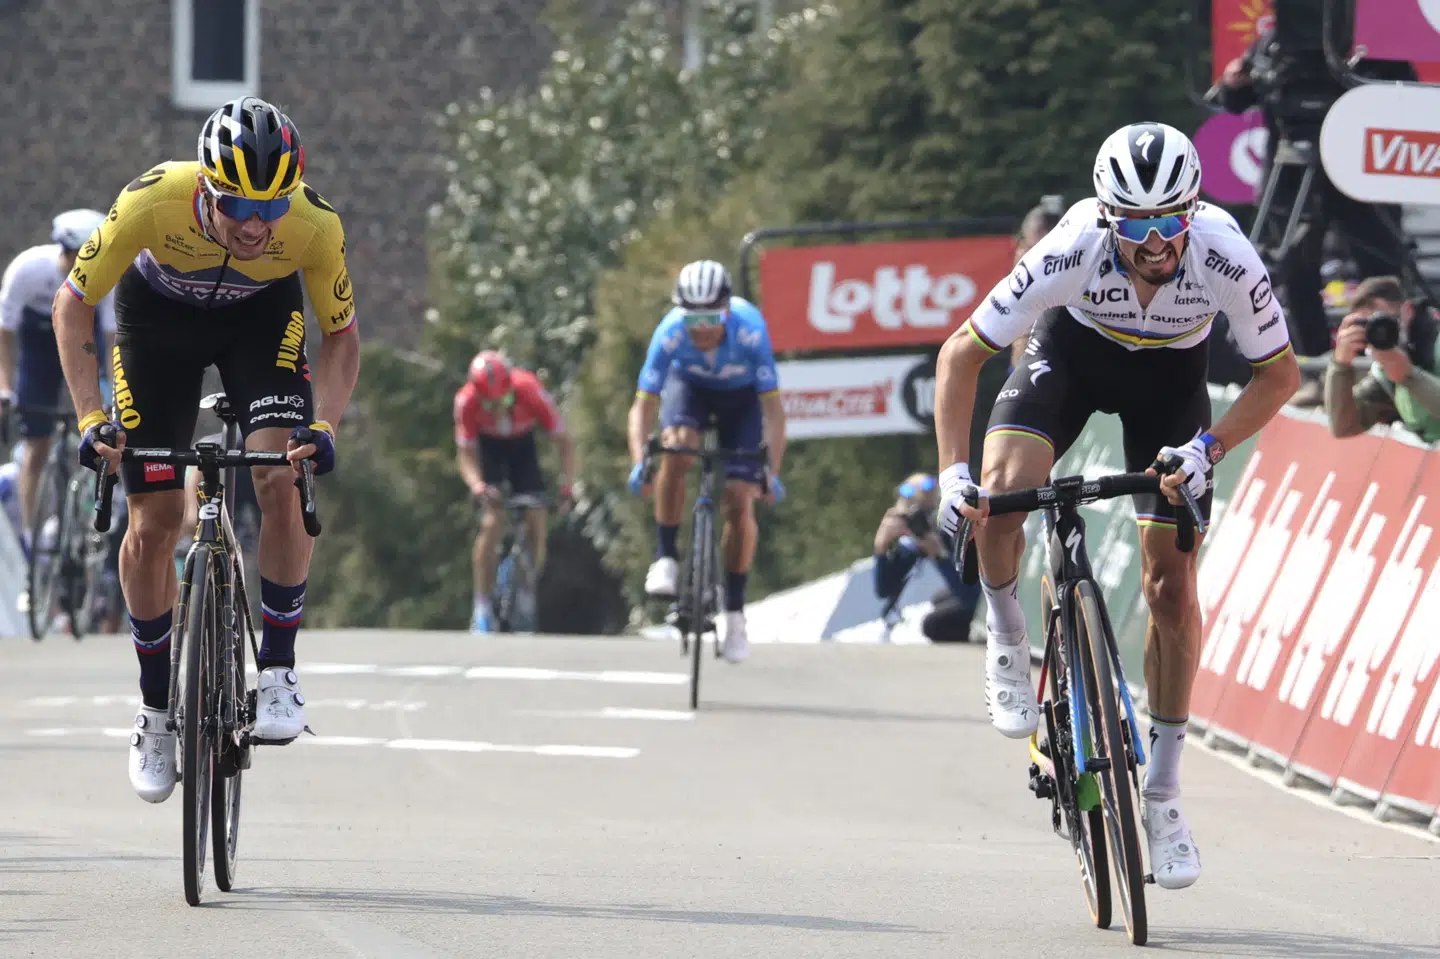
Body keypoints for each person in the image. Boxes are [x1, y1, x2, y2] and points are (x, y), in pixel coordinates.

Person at [933, 122, 1300, 891]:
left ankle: (1163, 796)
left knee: (1171, 589)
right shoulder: (1070, 248)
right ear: (1108, 218)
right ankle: (1008, 631)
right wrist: (951, 475)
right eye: (1137, 225)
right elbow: (961, 354)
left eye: (1172, 220)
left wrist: (1208, 449)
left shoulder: (1223, 252)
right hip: (1071, 356)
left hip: (1171, 385)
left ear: (1193, 211)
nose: (1156, 241)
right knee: (999, 501)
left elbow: (1279, 376)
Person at [51, 96, 361, 804]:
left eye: (271, 209)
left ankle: (277, 669)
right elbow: (73, 305)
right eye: (237, 207)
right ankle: (156, 711)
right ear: (203, 191)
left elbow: (342, 335)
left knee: (283, 477)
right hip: (157, 330)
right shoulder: (149, 202)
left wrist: (328, 426)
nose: (255, 225)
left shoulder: (315, 225)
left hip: (260, 324)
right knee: (154, 522)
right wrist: (90, 416)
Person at [1215, 22, 1416, 359]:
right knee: (1294, 268)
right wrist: (1232, 82)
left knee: (1381, 267)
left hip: (1360, 171)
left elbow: (1406, 91)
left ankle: (1385, 357)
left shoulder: (1374, 41)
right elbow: (1235, 99)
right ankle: (1313, 361)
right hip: (1293, 173)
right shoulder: (1279, 42)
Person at [626, 259, 787, 664]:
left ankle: (734, 613)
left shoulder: (751, 330)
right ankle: (665, 557)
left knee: (739, 497)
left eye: (712, 317)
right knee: (676, 447)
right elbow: (642, 406)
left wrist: (772, 470)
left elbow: (774, 412)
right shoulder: (669, 333)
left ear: (728, 310)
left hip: (742, 402)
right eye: (692, 318)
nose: (701, 328)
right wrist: (639, 460)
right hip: (690, 390)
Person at [0, 209, 115, 562]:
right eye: (74, 258)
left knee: (101, 426)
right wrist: (5, 389)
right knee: (37, 445)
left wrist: (111, 394)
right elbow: (5, 333)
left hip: (84, 336)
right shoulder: (27, 268)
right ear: (64, 252)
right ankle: (30, 535)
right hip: (38, 346)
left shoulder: (103, 278)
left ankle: (82, 519)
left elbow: (109, 339)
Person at [453, 350, 576, 633]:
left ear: (511, 388)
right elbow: (466, 454)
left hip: (523, 448)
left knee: (537, 517)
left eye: (504, 401)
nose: (497, 408)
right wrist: (478, 486)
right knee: (492, 521)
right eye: (489, 403)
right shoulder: (466, 401)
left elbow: (564, 443)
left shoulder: (530, 389)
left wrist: (567, 487)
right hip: (489, 450)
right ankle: (482, 605)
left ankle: (528, 582)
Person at [1325, 276, 1440, 442]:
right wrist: (1340, 366)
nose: (1381, 331)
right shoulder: (1384, 370)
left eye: (1385, 320)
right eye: (1368, 325)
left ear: (1407, 310)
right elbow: (1343, 426)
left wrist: (1410, 377)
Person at [871, 473, 979, 643]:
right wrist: (881, 549)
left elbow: (973, 599)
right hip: (905, 626)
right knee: (939, 601)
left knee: (934, 618)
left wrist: (940, 556)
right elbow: (883, 590)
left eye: (924, 517)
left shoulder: (954, 537)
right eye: (912, 519)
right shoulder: (908, 548)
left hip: (946, 623)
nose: (919, 526)